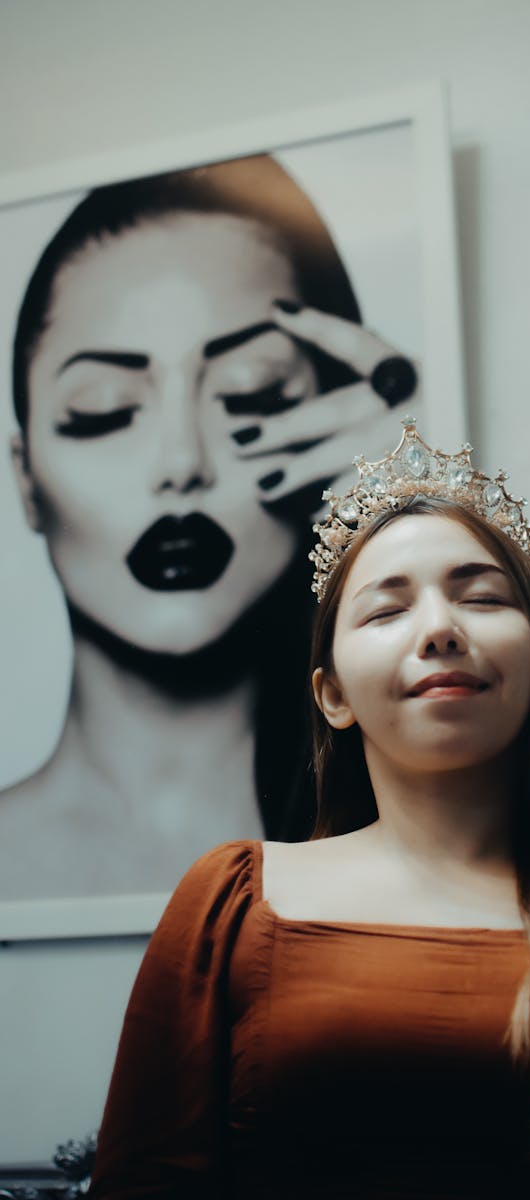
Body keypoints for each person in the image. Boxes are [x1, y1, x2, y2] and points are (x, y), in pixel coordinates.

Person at [88, 420, 530, 1198]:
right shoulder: (233, 902)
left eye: (481, 597)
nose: (440, 629)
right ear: (331, 693)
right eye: (385, 611)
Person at [1, 156, 420, 898]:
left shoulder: (423, 853)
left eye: (247, 393)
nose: (180, 462)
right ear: (25, 476)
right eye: (102, 408)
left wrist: (410, 508)